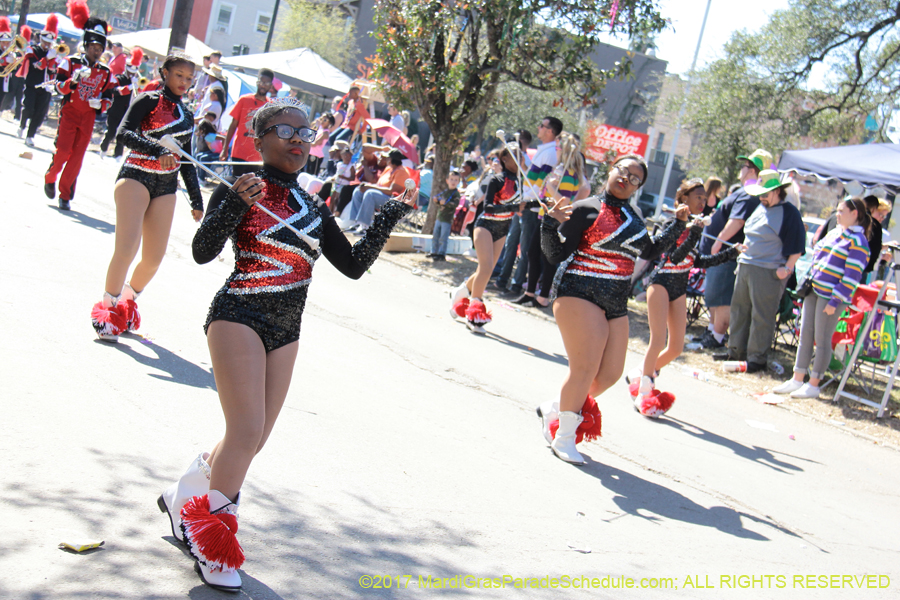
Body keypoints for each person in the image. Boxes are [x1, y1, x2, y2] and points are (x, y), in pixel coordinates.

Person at [157, 98, 416, 592]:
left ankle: (185, 493)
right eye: (285, 130)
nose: (298, 140)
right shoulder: (241, 189)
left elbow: (353, 265)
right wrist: (232, 203)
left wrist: (387, 218)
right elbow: (201, 251)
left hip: (287, 328)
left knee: (254, 438)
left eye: (305, 133)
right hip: (238, 314)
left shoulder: (315, 208)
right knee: (245, 428)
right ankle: (213, 541)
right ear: (259, 139)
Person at [535, 155, 685, 464]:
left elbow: (651, 250)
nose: (625, 179)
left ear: (638, 187)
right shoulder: (585, 208)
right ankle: (563, 436)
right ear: (611, 170)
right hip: (578, 292)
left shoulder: (635, 218)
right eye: (623, 171)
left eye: (634, 179)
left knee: (610, 375)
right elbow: (555, 256)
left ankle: (556, 407)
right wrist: (549, 225)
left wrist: (678, 224)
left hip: (616, 302)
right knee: (584, 368)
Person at [90, 51, 204, 341]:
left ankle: (127, 303)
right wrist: (159, 150)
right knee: (127, 249)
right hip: (135, 177)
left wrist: (196, 200)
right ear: (164, 72)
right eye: (179, 75)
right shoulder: (148, 99)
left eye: (189, 78)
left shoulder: (188, 115)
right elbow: (124, 134)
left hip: (166, 186)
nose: (184, 82)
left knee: (153, 258)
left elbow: (187, 160)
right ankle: (107, 310)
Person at [628, 179, 742, 415]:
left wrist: (732, 252)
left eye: (704, 198)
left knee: (676, 347)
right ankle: (644, 393)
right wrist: (693, 232)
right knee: (658, 341)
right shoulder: (673, 223)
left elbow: (696, 261)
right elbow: (675, 258)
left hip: (679, 289)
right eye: (698, 197)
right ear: (683, 199)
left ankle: (640, 373)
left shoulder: (695, 225)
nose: (703, 201)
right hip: (660, 284)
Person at [772, 197, 870, 399]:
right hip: (814, 290)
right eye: (837, 210)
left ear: (855, 214)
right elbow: (817, 256)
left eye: (842, 211)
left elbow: (852, 275)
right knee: (805, 335)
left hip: (831, 296)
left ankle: (814, 383)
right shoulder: (835, 232)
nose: (838, 214)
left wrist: (836, 300)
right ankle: (798, 378)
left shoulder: (859, 241)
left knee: (823, 339)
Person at [713, 170, 806, 372]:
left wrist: (787, 269)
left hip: (768, 270)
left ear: (777, 192)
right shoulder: (760, 208)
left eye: (765, 193)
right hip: (746, 266)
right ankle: (735, 352)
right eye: (760, 193)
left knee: (761, 315)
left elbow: (798, 246)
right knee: (740, 310)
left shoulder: (789, 212)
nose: (761, 197)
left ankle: (756, 358)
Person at [698, 149, 773, 350]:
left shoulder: (749, 194)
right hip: (720, 255)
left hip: (726, 255)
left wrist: (718, 241)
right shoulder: (745, 191)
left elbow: (737, 221)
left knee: (721, 297)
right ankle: (712, 332)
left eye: (744, 166)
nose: (741, 169)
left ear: (752, 170)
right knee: (713, 295)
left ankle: (717, 336)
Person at [44, 3, 114, 210]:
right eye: (94, 47)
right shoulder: (70, 62)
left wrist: (100, 104)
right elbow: (58, 87)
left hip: (88, 117)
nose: (97, 52)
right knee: (64, 151)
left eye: (100, 49)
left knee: (76, 158)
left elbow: (109, 97)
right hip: (70, 113)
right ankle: (51, 176)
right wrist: (72, 82)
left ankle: (65, 194)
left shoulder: (106, 71)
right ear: (86, 46)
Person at [449, 145, 520, 333]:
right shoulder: (495, 179)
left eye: (521, 156)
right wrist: (515, 207)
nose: (520, 160)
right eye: (515, 156)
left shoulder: (521, 182)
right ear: (505, 159)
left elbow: (522, 205)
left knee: (485, 270)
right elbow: (488, 207)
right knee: (486, 267)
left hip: (503, 228)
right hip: (486, 225)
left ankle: (461, 291)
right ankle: (475, 313)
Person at [513, 131, 588, 308]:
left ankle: (542, 296)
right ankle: (531, 292)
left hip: (554, 221)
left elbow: (565, 201)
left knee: (545, 258)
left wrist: (551, 187)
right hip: (545, 217)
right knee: (534, 253)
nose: (556, 152)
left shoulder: (568, 173)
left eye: (558, 148)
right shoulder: (562, 171)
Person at [220, 68, 273, 177]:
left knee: (253, 189)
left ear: (270, 85)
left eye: (266, 83)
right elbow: (233, 125)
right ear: (257, 82)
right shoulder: (244, 100)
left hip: (258, 157)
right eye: (261, 82)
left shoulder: (270, 106)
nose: (263, 85)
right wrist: (225, 149)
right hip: (240, 153)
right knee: (237, 186)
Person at [344, 149, 411, 234]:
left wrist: (370, 187)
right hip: (382, 196)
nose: (385, 160)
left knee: (370, 194)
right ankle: (355, 223)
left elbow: (392, 191)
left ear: (391, 160)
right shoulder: (388, 169)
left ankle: (365, 225)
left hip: (394, 200)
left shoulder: (402, 172)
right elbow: (379, 185)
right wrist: (367, 186)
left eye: (387, 158)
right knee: (358, 191)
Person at [17, 14, 60, 147]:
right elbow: (38, 66)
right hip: (32, 85)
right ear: (41, 39)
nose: (47, 44)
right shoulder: (32, 50)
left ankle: (30, 136)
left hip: (46, 87)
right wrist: (47, 57)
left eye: (49, 42)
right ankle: (22, 124)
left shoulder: (53, 53)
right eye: (45, 41)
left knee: (40, 113)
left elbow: (53, 71)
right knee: (29, 109)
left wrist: (56, 60)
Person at [100, 47, 143, 160]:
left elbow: (138, 96)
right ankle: (103, 148)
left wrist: (138, 88)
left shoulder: (136, 82)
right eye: (130, 71)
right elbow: (113, 91)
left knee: (122, 134)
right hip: (116, 110)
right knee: (111, 132)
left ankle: (118, 155)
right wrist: (128, 87)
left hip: (127, 112)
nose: (131, 74)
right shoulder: (119, 78)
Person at [428, 170, 461, 261]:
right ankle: (433, 251)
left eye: (455, 180)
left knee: (443, 237)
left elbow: (455, 204)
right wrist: (437, 201)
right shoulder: (445, 192)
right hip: (440, 217)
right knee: (435, 235)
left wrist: (445, 203)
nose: (453, 182)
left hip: (447, 219)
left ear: (458, 182)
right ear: (447, 180)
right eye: (451, 179)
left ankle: (441, 254)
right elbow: (440, 204)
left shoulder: (456, 193)